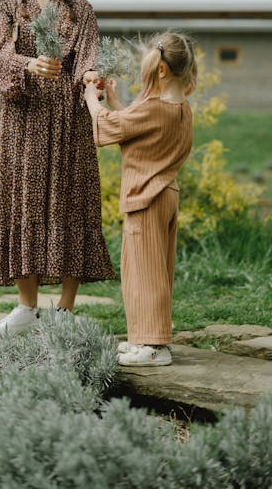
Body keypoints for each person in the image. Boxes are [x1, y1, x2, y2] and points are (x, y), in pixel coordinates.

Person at [0, 0, 115, 335]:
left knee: (73, 204)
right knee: (23, 204)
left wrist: (91, 78)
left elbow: (88, 58)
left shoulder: (81, 9)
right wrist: (29, 64)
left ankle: (65, 311)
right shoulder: (7, 1)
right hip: (23, 121)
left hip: (70, 122)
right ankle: (26, 308)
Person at [84, 32, 197, 366]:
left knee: (144, 274)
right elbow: (137, 130)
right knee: (151, 271)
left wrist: (94, 99)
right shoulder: (180, 108)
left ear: (161, 70)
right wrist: (117, 102)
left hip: (146, 197)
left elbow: (110, 129)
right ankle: (143, 339)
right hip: (165, 194)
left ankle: (153, 347)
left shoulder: (154, 108)